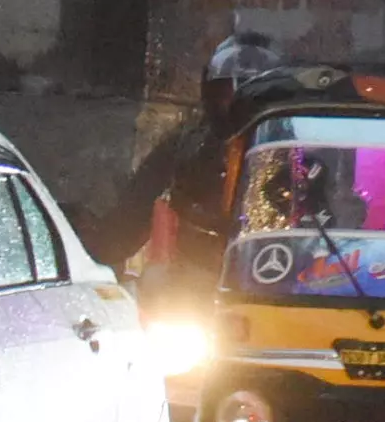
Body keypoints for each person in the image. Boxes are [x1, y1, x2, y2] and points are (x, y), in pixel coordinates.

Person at [84, 30, 283, 275]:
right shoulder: (187, 146)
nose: (241, 103)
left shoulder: (298, 151)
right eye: (228, 91)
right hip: (197, 278)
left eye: (257, 93)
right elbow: (132, 214)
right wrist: (90, 256)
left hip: (276, 276)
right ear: (211, 92)